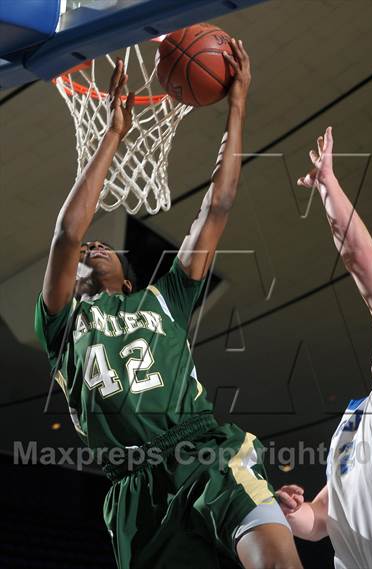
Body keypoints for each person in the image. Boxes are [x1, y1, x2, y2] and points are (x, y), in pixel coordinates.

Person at [34, 40, 303, 569]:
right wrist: (112, 134)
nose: (90, 249)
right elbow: (67, 233)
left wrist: (239, 105)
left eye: (101, 248)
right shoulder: (63, 327)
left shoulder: (167, 298)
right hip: (136, 495)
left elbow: (218, 205)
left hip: (207, 456)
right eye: (86, 252)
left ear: (127, 277)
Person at [276, 127, 372, 569]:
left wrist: (328, 186)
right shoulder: (354, 421)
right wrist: (295, 512)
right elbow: (322, 521)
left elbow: (361, 260)